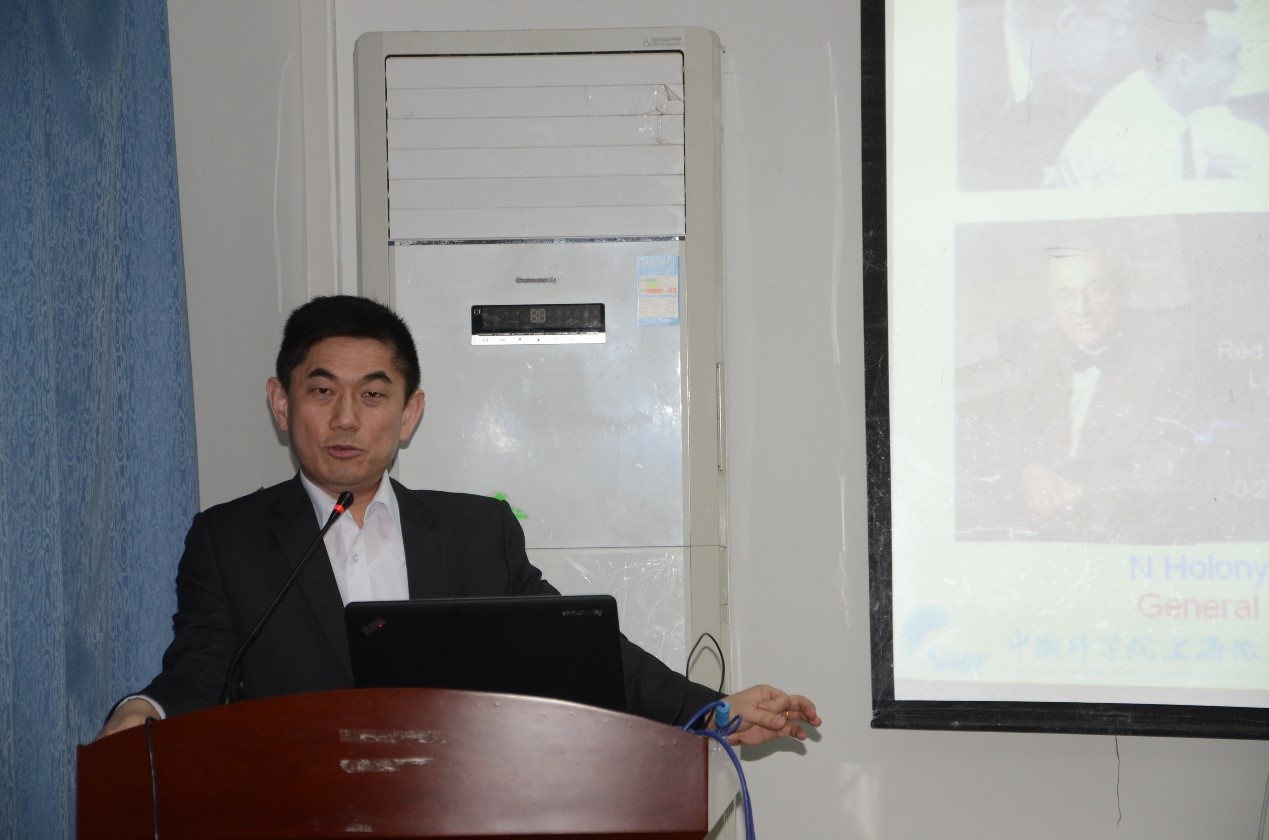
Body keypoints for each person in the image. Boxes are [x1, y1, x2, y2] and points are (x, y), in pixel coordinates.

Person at [99, 295, 819, 745]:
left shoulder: (479, 534)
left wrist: (712, 710)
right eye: (321, 392)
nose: (346, 419)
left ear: (409, 412)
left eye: (373, 395)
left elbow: (582, 651)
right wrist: (144, 710)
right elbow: (199, 668)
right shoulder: (229, 540)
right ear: (281, 404)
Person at [957, 241, 1196, 542]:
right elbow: (1010, 432)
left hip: (1121, 528)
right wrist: (1030, 470)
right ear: (1052, 302)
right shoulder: (1041, 349)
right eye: (1066, 295)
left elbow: (1170, 464)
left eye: (1096, 290)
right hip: (1045, 521)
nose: (1082, 309)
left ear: (1118, 290)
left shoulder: (1166, 355)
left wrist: (1080, 492)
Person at [1051, 4, 1269, 186]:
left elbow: (1259, 157)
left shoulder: (1188, 107)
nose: (1239, 68)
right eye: (1230, 57)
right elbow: (1169, 224)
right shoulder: (1127, 144)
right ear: (1184, 69)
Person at [957, 0, 1144, 190]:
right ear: (1069, 23)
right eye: (1117, 23)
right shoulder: (962, 74)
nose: (1124, 38)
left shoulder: (1044, 77)